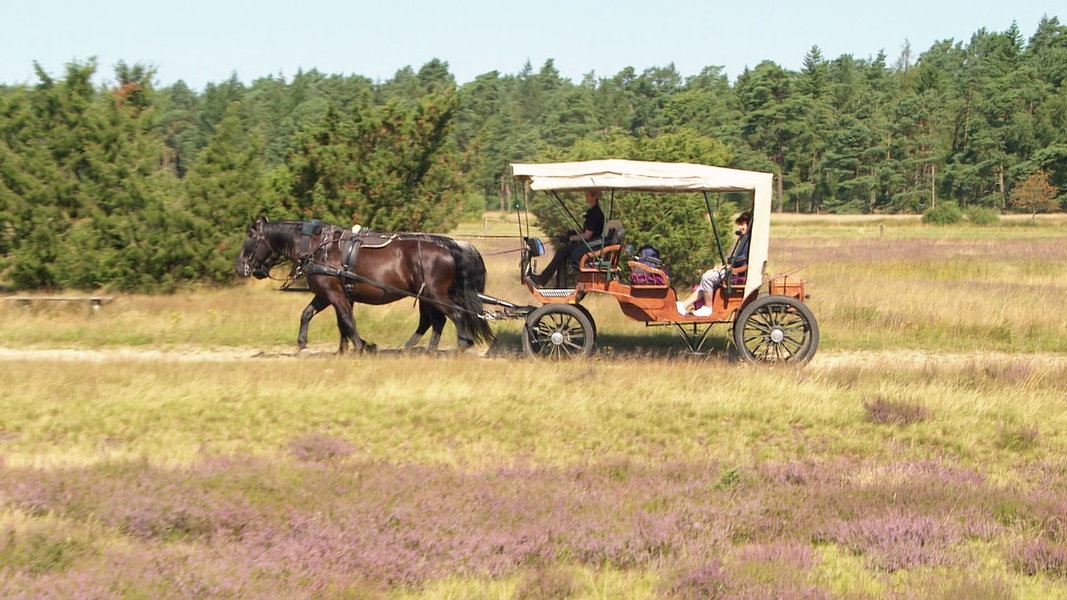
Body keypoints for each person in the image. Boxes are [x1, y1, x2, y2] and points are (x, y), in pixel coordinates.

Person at [527, 189, 605, 287]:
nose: (585, 196)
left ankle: (543, 279)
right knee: (563, 253)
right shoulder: (595, 212)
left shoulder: (594, 213)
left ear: (594, 197)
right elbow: (588, 233)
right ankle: (559, 285)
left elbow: (587, 235)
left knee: (562, 252)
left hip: (590, 248)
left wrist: (570, 238)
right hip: (590, 245)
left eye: (587, 194)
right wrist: (571, 235)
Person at [680, 211, 751, 313]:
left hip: (736, 275)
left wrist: (730, 269)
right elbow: (736, 261)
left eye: (742, 224)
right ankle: (684, 305)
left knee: (707, 278)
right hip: (732, 271)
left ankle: (708, 308)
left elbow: (747, 265)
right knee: (705, 283)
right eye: (739, 224)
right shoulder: (743, 241)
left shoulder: (749, 243)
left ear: (749, 225)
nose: (740, 227)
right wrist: (723, 267)